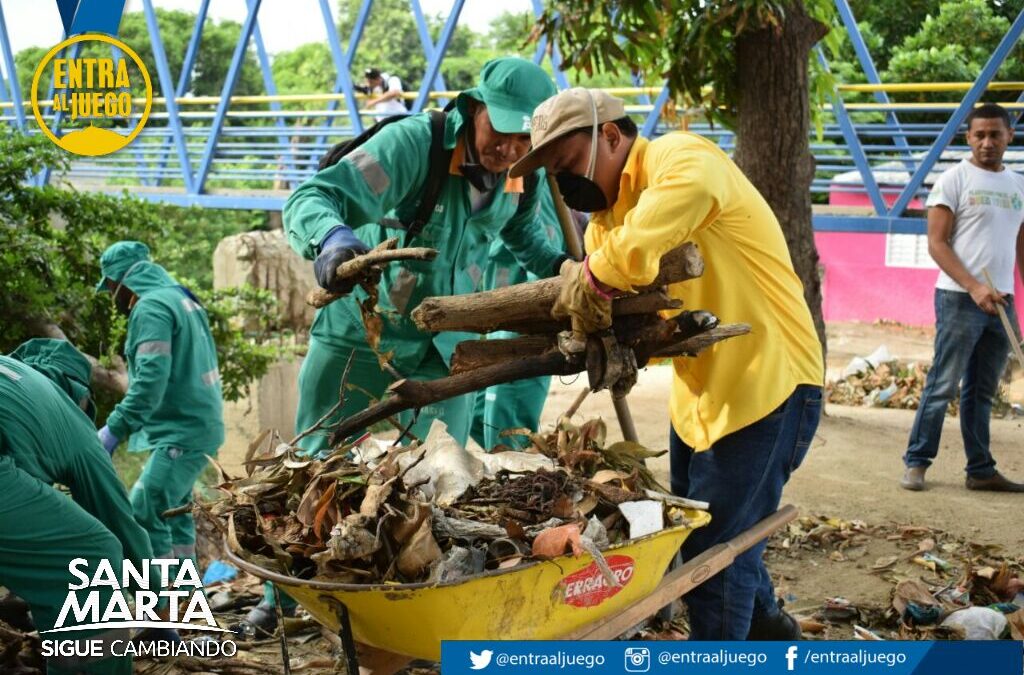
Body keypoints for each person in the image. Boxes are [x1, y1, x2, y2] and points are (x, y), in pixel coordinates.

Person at [510, 88, 824, 640]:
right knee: (713, 535)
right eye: (553, 176)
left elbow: (626, 256)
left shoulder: (682, 157)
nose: (564, 185)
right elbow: (616, 287)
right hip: (702, 399)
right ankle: (777, 637)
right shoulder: (609, 221)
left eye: (565, 165)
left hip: (767, 386)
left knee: (714, 560)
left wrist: (590, 277)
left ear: (610, 135)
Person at [283, 57, 564, 454]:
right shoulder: (413, 146)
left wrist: (562, 269)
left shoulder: (524, 169)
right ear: (473, 108)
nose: (509, 149)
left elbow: (521, 233)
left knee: (444, 468)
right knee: (320, 454)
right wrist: (332, 237)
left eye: (524, 140)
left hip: (445, 341)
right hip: (362, 331)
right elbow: (317, 195)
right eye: (499, 130)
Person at [1, 339, 154, 674]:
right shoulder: (69, 414)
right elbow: (119, 523)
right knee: (92, 553)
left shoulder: (16, 378)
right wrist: (155, 599)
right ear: (79, 392)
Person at [900, 103, 1024, 493]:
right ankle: (917, 463)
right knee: (943, 384)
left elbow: (1020, 246)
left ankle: (980, 469)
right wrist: (974, 286)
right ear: (968, 138)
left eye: (995, 134)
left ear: (1009, 136)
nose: (987, 142)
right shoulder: (953, 180)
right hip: (959, 298)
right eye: (979, 135)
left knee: (982, 391)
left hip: (1001, 301)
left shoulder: (1018, 184)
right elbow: (936, 244)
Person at [95, 241, 225, 564]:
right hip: (197, 425)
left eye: (111, 286)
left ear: (122, 281)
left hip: (182, 431)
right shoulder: (180, 298)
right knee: (174, 515)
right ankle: (186, 600)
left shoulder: (151, 308)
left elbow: (149, 386)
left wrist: (112, 430)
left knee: (145, 508)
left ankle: (162, 601)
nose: (113, 297)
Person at [469, 189, 565, 451]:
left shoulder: (537, 185)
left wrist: (537, 316)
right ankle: (510, 461)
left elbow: (545, 253)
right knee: (478, 412)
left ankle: (515, 469)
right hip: (497, 302)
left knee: (509, 405)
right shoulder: (495, 177)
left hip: (526, 309)